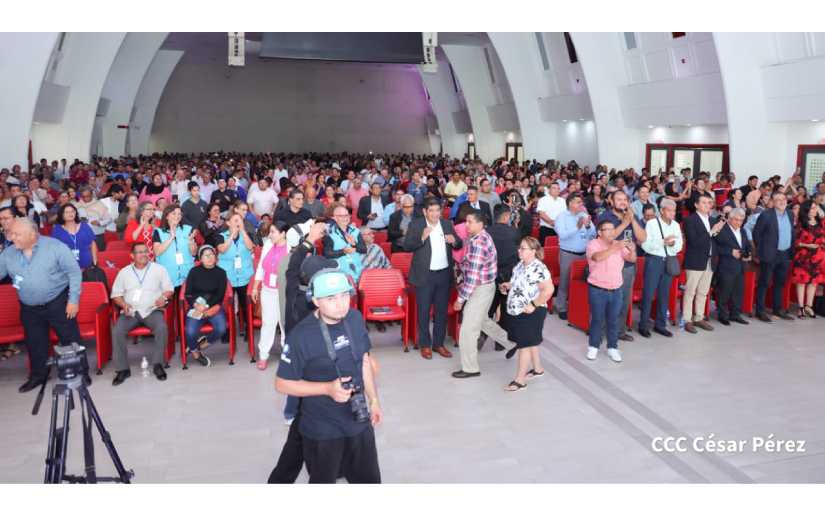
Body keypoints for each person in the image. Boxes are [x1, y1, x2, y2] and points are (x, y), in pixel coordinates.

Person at [275, 268, 382, 484]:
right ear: (315, 301)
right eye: (331, 298)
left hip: (358, 421)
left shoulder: (355, 318)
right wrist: (326, 388)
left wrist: (374, 400)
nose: (341, 303)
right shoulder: (300, 336)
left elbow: (363, 362)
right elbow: (282, 384)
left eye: (345, 295)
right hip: (322, 428)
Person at [0, 218, 84, 392]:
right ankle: (39, 376)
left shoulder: (55, 247)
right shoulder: (8, 254)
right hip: (29, 307)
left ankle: (81, 373)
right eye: (11, 233)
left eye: (17, 234)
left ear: (33, 234)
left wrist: (73, 300)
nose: (12, 237)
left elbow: (74, 273)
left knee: (70, 340)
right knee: (35, 342)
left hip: (58, 302)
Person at [452, 209, 510, 378]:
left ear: (480, 224)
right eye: (466, 222)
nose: (466, 225)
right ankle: (511, 342)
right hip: (485, 286)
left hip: (480, 288)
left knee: (468, 330)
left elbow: (473, 276)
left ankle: (470, 368)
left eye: (470, 222)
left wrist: (461, 299)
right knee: (483, 320)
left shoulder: (478, 243)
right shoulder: (479, 237)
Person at [404, 197, 462, 359]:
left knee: (441, 312)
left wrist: (455, 241)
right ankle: (425, 345)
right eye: (432, 211)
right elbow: (407, 246)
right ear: (424, 211)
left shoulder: (446, 224)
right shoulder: (416, 224)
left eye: (438, 210)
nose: (436, 214)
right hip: (425, 275)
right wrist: (421, 237)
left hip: (444, 274)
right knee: (423, 312)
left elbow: (459, 244)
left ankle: (438, 344)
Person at [109, 242, 174, 385]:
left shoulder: (159, 269)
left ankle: (158, 364)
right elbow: (116, 295)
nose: (144, 254)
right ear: (132, 256)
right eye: (140, 252)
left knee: (161, 328)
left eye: (146, 251)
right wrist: (123, 304)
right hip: (130, 311)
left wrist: (163, 298)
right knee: (117, 331)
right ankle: (122, 369)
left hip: (152, 309)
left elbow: (169, 289)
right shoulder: (124, 272)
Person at [498, 236, 553, 391]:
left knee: (525, 345)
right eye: (519, 248)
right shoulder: (521, 265)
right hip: (519, 309)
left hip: (532, 311)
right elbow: (519, 283)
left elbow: (549, 290)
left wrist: (533, 304)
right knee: (531, 340)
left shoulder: (539, 268)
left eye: (523, 248)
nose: (519, 251)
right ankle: (538, 369)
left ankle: (520, 380)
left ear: (533, 251)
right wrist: (508, 285)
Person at [597, 191, 646, 342]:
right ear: (611, 201)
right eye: (619, 199)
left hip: (628, 264)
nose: (623, 202)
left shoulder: (631, 215)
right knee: (607, 299)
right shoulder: (605, 216)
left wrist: (631, 221)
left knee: (624, 299)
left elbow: (642, 237)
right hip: (609, 263)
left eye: (625, 199)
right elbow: (607, 238)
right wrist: (624, 223)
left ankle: (619, 331)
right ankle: (600, 332)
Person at [586, 219, 636, 362]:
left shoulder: (618, 244)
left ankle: (612, 347)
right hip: (598, 289)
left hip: (616, 289)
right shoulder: (593, 244)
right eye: (607, 229)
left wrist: (632, 250)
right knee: (597, 319)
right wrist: (616, 247)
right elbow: (597, 257)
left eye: (613, 229)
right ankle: (593, 347)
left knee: (614, 320)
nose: (611, 232)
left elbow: (631, 259)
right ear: (599, 232)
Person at [639, 198, 683, 338]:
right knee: (648, 294)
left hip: (668, 260)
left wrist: (671, 245)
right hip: (654, 260)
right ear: (662, 211)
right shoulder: (652, 223)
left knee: (664, 295)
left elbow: (679, 245)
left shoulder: (676, 225)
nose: (672, 213)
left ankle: (660, 324)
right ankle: (643, 325)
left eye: (674, 210)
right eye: (669, 210)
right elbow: (646, 245)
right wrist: (663, 242)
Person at [682, 193, 726, 333]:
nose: (708, 205)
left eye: (709, 202)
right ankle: (687, 320)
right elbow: (694, 242)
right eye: (704, 202)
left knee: (703, 292)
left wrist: (718, 231)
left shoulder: (713, 220)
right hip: (695, 260)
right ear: (696, 205)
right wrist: (711, 232)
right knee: (690, 292)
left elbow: (717, 241)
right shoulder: (690, 220)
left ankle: (699, 317)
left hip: (710, 260)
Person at [250, 221, 290, 370]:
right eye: (270, 232)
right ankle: (263, 355)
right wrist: (255, 287)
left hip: (284, 293)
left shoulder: (291, 247)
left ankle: (287, 354)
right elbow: (261, 267)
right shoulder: (267, 244)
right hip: (267, 290)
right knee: (268, 322)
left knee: (285, 324)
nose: (270, 235)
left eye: (273, 232)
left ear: (283, 233)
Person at [752, 191, 795, 322]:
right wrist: (763, 250)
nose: (782, 202)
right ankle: (760, 311)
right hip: (770, 254)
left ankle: (778, 309)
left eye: (783, 199)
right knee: (764, 283)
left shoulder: (790, 213)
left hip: (785, 254)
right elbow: (756, 234)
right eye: (778, 200)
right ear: (773, 202)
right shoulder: (766, 215)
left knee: (780, 283)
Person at [183, 245, 228, 367]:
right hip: (196, 307)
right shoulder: (194, 271)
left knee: (221, 328)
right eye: (206, 255)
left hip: (213, 306)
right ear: (200, 258)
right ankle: (196, 354)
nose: (209, 257)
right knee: (190, 331)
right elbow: (188, 294)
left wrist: (208, 307)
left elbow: (220, 295)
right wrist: (196, 305)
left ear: (216, 257)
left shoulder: (221, 273)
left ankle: (200, 345)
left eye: (212, 254)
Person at [553, 193, 596, 320]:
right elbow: (563, 235)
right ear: (570, 203)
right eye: (578, 202)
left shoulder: (583, 215)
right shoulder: (561, 217)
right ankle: (561, 307)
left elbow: (592, 235)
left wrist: (588, 226)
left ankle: (576, 305)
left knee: (581, 282)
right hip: (568, 253)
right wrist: (577, 227)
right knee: (565, 281)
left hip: (583, 254)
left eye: (581, 202)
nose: (581, 205)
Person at [217, 212, 256, 334]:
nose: (238, 223)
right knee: (227, 305)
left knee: (245, 305)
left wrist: (243, 232)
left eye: (240, 220)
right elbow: (222, 249)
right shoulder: (221, 235)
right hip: (228, 276)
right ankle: (227, 331)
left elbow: (250, 247)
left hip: (244, 275)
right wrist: (231, 236)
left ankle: (248, 330)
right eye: (235, 220)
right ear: (228, 223)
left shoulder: (246, 235)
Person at [713, 207, 752, 325]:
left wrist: (748, 254)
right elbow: (716, 247)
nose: (738, 222)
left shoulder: (743, 231)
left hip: (740, 266)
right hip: (726, 266)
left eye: (741, 220)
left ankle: (735, 314)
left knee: (738, 291)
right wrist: (730, 252)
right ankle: (723, 315)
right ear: (730, 218)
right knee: (724, 291)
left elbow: (746, 245)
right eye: (736, 220)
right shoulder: (722, 230)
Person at [791, 202, 825, 318]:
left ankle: (808, 306)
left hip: (818, 257)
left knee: (813, 283)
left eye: (816, 208)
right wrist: (807, 245)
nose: (815, 210)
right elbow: (795, 242)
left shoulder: (821, 223)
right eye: (812, 208)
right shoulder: (801, 224)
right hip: (803, 257)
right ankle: (800, 307)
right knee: (802, 282)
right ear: (807, 210)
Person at [152, 205, 197, 289]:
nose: (177, 216)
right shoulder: (158, 232)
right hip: (167, 275)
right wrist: (171, 237)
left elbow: (194, 253)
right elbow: (157, 252)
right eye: (174, 213)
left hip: (186, 274)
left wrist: (191, 242)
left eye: (179, 214)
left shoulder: (188, 229)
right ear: (166, 216)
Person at [324, 204, 367, 282]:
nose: (345, 218)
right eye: (341, 216)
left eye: (347, 215)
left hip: (359, 272)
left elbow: (364, 249)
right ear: (334, 218)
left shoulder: (355, 230)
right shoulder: (329, 233)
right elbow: (327, 254)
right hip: (341, 274)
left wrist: (355, 245)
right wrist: (343, 251)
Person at [51, 203, 98, 270]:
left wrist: (95, 261)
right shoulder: (57, 230)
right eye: (67, 212)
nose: (70, 214)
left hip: (88, 267)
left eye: (72, 211)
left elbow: (93, 243)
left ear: (75, 213)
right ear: (62, 215)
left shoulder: (85, 226)